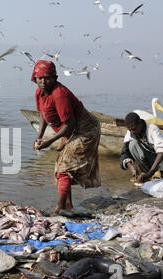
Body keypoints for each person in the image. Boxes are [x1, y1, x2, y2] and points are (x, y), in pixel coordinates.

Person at [31, 60, 101, 216]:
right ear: (34, 79)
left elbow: (69, 124)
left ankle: (59, 209)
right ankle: (68, 206)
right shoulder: (39, 93)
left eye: (47, 77)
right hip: (70, 130)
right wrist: (40, 137)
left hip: (86, 130)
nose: (43, 81)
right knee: (60, 167)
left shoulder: (59, 94)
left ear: (55, 78)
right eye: (40, 78)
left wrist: (49, 142)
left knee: (64, 168)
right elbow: (43, 114)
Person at [120, 112, 163, 183]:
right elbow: (124, 152)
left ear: (140, 123)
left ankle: (160, 173)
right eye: (130, 130)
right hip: (150, 164)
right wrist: (131, 167)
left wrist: (150, 173)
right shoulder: (130, 133)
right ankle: (146, 173)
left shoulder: (152, 129)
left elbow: (162, 152)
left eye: (134, 129)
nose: (132, 132)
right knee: (132, 144)